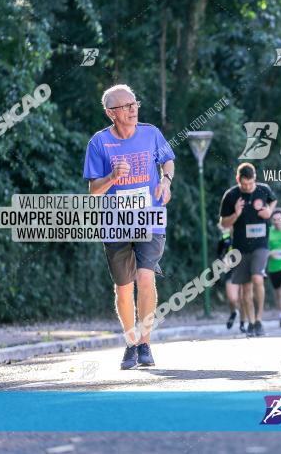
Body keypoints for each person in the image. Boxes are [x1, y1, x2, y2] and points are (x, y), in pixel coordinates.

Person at [83, 84, 174, 370]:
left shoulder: (151, 133)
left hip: (150, 217)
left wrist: (166, 181)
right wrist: (111, 176)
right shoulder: (98, 143)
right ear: (112, 113)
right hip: (116, 222)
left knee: (146, 278)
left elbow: (168, 161)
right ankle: (130, 342)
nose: (133, 109)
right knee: (124, 289)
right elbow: (93, 191)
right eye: (126, 106)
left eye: (135, 103)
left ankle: (145, 342)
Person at [219, 163, 277, 337]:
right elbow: (223, 223)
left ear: (255, 179)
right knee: (245, 289)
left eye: (250, 184)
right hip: (241, 247)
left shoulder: (263, 190)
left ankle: (259, 320)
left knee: (257, 278)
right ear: (238, 179)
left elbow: (273, 200)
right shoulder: (231, 195)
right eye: (244, 185)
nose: (248, 188)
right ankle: (251, 323)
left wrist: (269, 211)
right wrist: (235, 214)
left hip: (261, 245)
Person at [219, 223, 245, 332]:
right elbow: (219, 254)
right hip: (230, 271)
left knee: (243, 298)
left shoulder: (244, 238)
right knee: (232, 298)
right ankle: (233, 312)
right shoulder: (225, 239)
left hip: (244, 270)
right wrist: (223, 262)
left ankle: (243, 324)